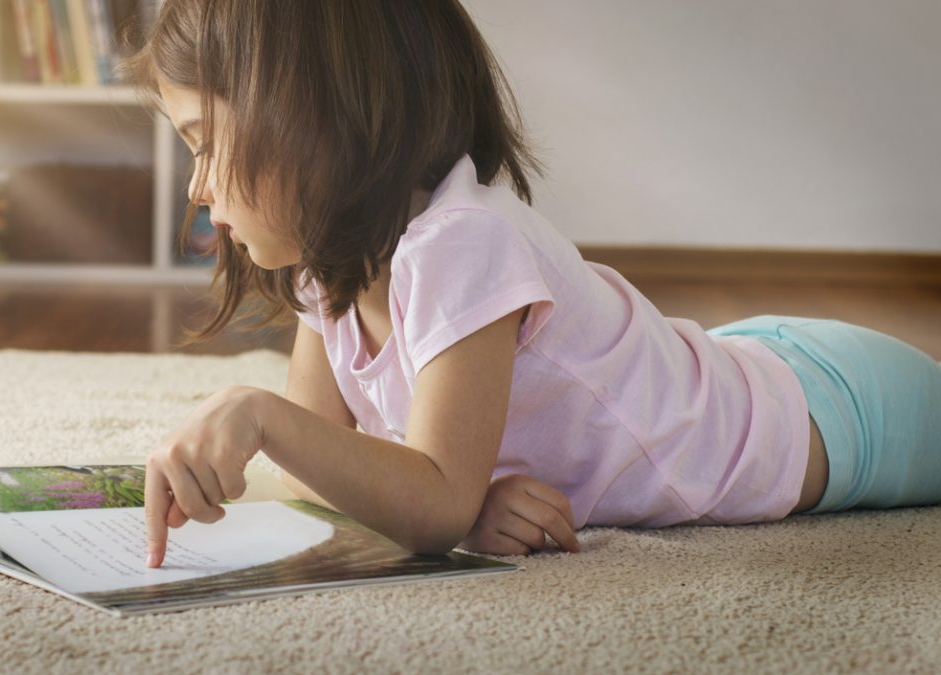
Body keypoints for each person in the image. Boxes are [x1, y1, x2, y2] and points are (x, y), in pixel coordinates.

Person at [125, 0, 941, 568]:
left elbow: (418, 494)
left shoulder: (460, 243)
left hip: (825, 414)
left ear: (311, 119)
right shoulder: (329, 269)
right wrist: (460, 498)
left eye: (204, 142)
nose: (197, 185)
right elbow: (322, 465)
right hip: (727, 366)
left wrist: (258, 412)